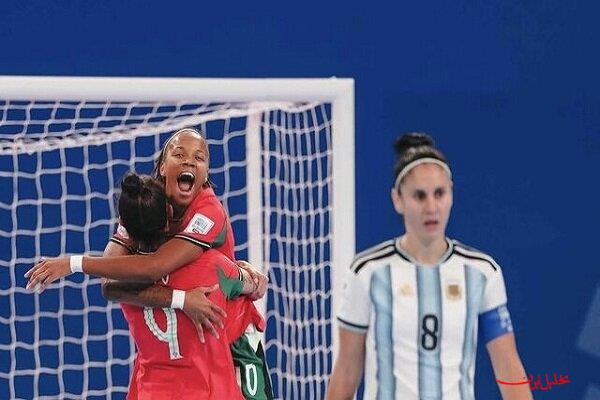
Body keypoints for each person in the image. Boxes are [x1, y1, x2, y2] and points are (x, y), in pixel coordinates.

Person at [26, 128, 273, 399]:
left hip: (228, 336)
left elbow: (154, 267)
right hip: (185, 344)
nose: (189, 161)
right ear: (162, 167)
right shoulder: (147, 204)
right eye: (179, 154)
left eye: (199, 157)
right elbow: (111, 285)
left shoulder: (209, 212)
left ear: (205, 175)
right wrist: (184, 298)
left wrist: (74, 264)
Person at [326, 133, 531, 400]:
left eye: (439, 194)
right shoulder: (367, 272)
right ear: (398, 200)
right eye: (419, 196)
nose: (431, 207)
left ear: (451, 194)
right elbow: (346, 374)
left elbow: (508, 367)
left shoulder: (482, 272)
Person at [116, 172, 251, 399]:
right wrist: (253, 278)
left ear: (123, 225)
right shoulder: (213, 266)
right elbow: (251, 285)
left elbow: (113, 281)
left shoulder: (124, 285)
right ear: (170, 212)